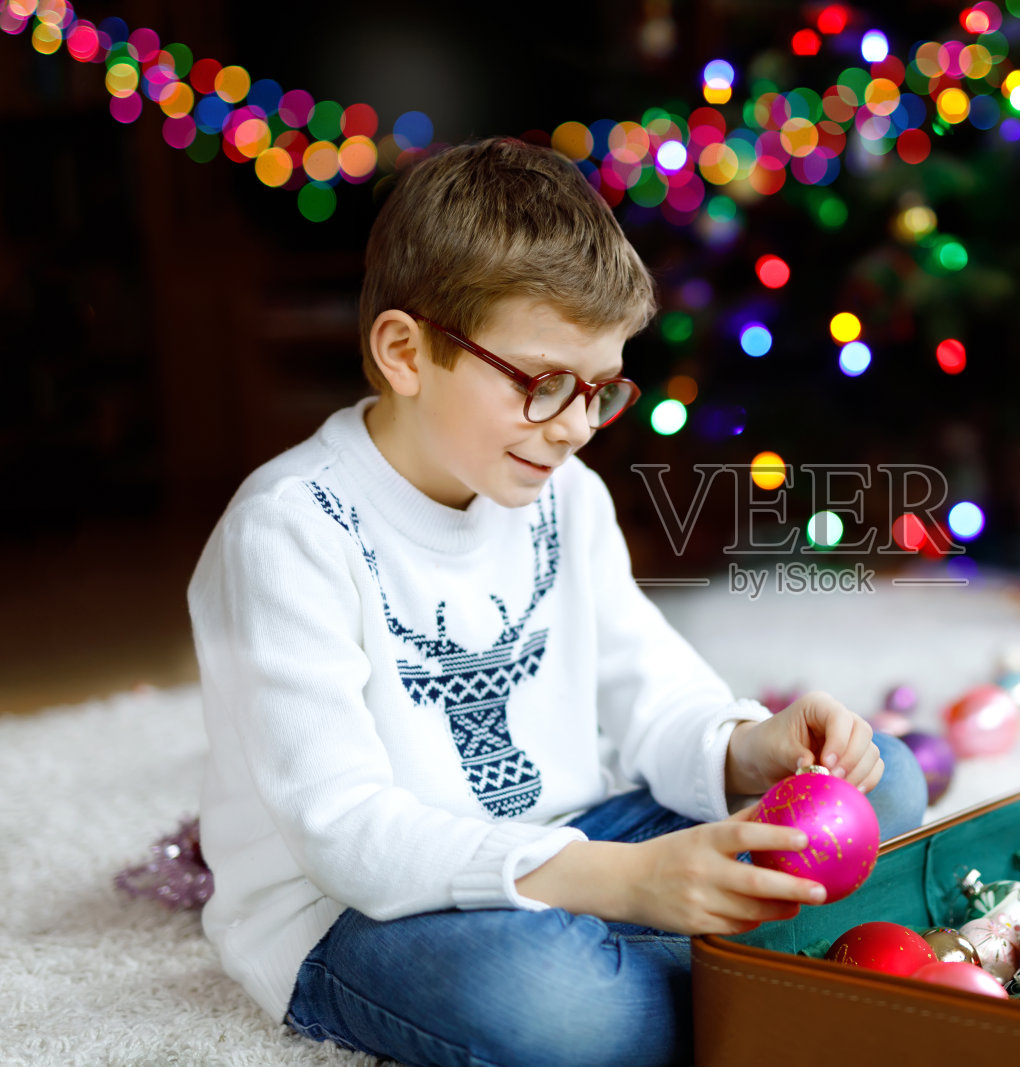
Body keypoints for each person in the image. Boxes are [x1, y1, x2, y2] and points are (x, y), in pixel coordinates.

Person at [188, 138, 927, 1066]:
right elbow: (348, 834)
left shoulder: (563, 493)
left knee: (885, 779)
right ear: (406, 352)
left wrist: (746, 749)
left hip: (576, 834)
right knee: (564, 1009)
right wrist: (626, 881)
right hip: (356, 910)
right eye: (543, 384)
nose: (576, 427)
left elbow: (647, 687)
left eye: (600, 390)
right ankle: (742, 968)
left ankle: (693, 962)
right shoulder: (288, 531)